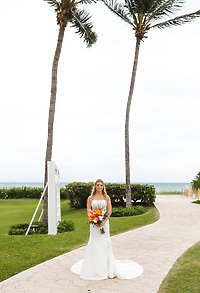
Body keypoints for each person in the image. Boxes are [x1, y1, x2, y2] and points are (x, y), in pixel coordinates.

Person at [71, 179, 143, 280]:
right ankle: (93, 267)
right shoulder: (90, 198)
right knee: (94, 242)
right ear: (95, 186)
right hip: (94, 224)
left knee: (105, 242)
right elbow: (88, 209)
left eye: (101, 185)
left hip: (105, 223)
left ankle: (107, 268)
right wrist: (93, 219)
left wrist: (104, 220)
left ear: (103, 186)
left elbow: (109, 210)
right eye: (98, 185)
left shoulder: (106, 197)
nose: (99, 187)